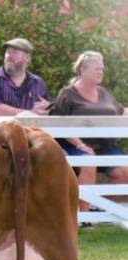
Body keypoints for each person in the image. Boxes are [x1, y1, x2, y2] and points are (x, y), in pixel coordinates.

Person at [53, 51, 128, 196]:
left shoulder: (102, 92)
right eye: (96, 69)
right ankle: (85, 217)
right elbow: (60, 124)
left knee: (124, 171)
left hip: (106, 146)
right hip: (77, 146)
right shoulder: (67, 94)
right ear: (82, 70)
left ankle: (99, 208)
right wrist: (81, 145)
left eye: (102, 69)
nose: (100, 72)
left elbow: (121, 111)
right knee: (88, 163)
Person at [0, 38, 52, 116]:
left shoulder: (37, 82)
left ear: (27, 58)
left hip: (26, 128)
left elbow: (48, 111)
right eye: (7, 52)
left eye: (15, 52)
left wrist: (48, 108)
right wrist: (30, 113)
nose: (9, 56)